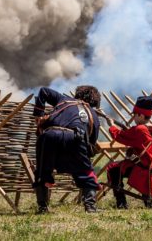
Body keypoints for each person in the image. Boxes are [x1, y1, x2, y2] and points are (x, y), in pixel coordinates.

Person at [32, 85, 101, 213]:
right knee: (86, 173)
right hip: (75, 138)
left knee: (42, 172)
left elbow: (43, 91)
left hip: (49, 136)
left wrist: (38, 114)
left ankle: (42, 208)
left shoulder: (64, 100)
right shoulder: (93, 116)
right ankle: (90, 207)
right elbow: (91, 143)